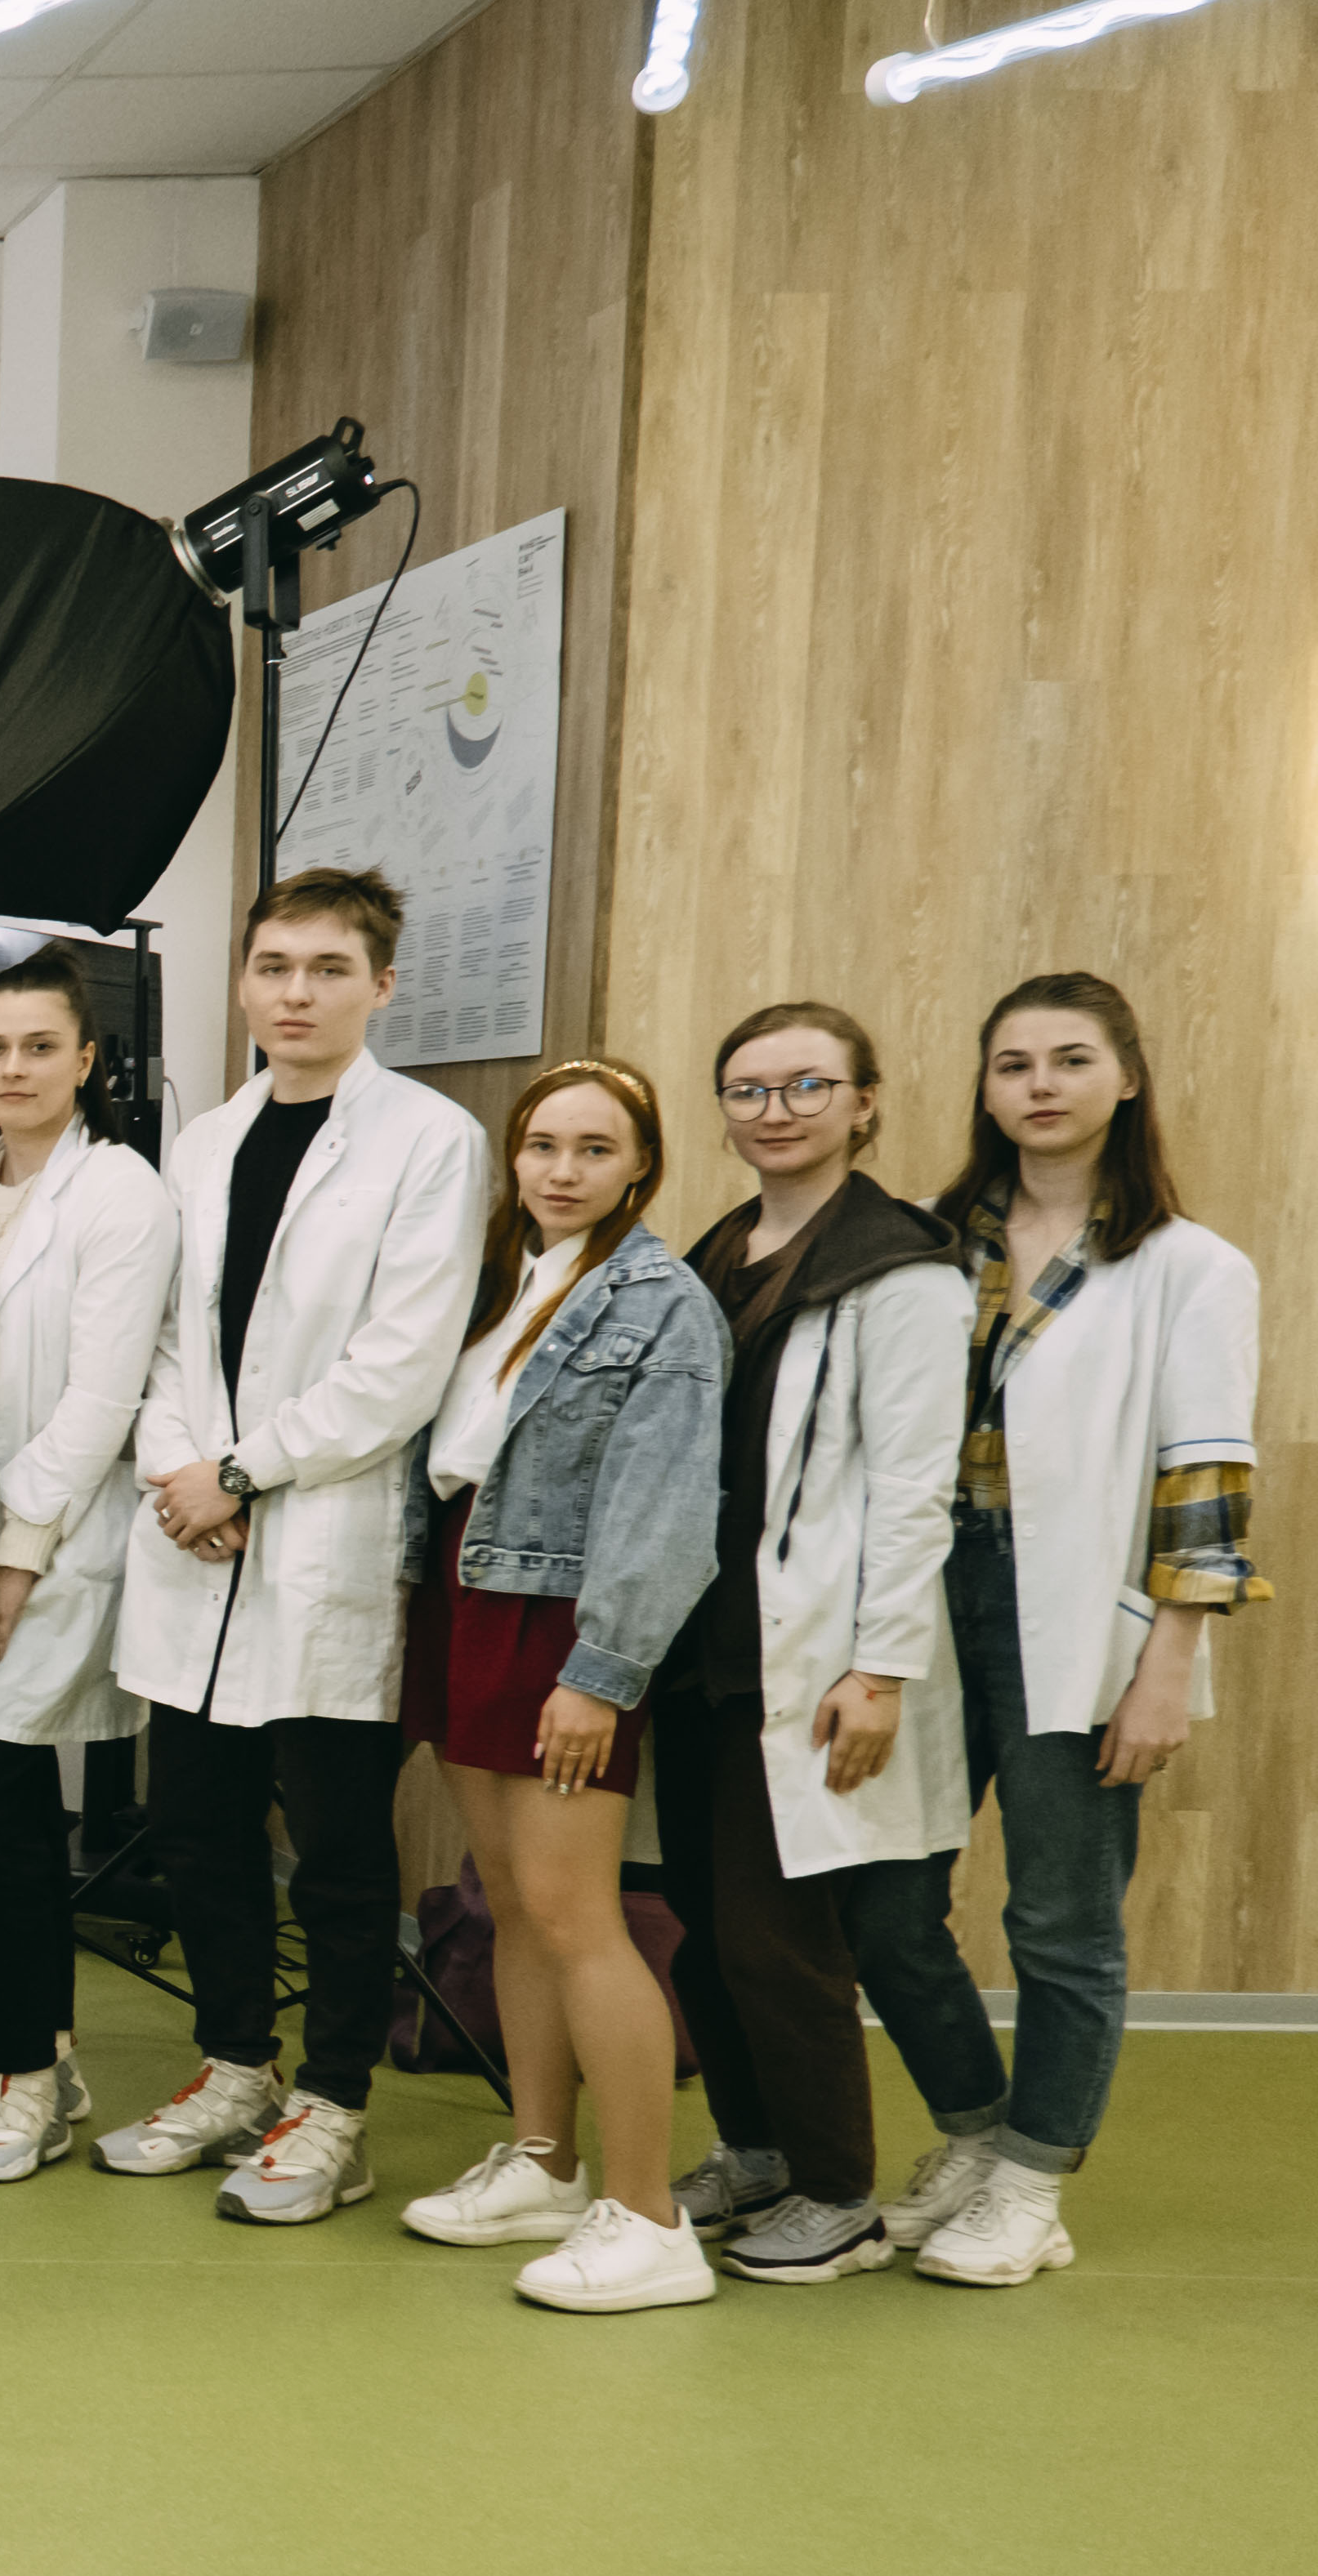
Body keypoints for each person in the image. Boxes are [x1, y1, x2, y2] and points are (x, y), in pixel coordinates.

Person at [856, 972, 1261, 2291]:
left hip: (1078, 1612)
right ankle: (979, 2136)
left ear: (1126, 1079)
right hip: (930, 1597)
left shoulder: (1189, 1266)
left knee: (1060, 1922)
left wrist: (1166, 1665)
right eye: (1015, 1063)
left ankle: (1033, 2185)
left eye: (1071, 1059)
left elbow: (1206, 1478)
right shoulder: (928, 1246)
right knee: (883, 1902)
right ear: (985, 1090)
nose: (1041, 1085)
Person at [97, 869, 488, 2217]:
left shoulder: (430, 1142)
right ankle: (235, 2066)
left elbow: (403, 1363)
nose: (297, 993)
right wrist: (179, 1474)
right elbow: (161, 1339)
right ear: (245, 983)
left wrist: (240, 1474)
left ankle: (333, 2103)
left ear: (381, 986)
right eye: (274, 967)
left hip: (323, 1532)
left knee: (335, 1849)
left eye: (328, 969)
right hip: (194, 1537)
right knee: (195, 1828)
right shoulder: (205, 1144)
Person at [645, 1005, 985, 2284]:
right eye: (748, 1088)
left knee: (777, 1936)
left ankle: (837, 2193)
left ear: (865, 1103)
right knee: (698, 1918)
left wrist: (879, 1668)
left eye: (806, 1086)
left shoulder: (902, 1272)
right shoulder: (720, 1250)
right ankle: (756, 2150)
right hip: (703, 1642)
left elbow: (914, 1488)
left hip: (809, 1658)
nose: (775, 1111)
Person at [378, 1065, 726, 2307]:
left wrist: (601, 1673)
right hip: (465, 1591)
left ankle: (649, 2218)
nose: (562, 1170)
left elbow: (666, 1511)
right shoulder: (497, 1279)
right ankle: (544, 2160)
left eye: (594, 1148)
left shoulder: (663, 1302)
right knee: (515, 1908)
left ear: (642, 1165)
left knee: (579, 1915)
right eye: (542, 1146)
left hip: (562, 1620)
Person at [0, 972, 173, 2183]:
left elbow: (103, 1394)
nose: (11, 1068)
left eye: (38, 1047)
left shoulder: (119, 1192)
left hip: (49, 1542)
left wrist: (17, 1552)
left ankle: (24, 2081)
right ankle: (43, 2056)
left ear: (86, 1062)